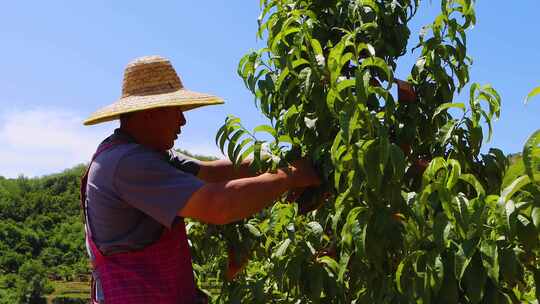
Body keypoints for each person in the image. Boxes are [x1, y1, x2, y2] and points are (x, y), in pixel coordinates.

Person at [81, 55, 321, 304]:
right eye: (177, 111)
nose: (183, 121)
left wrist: (278, 161)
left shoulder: (145, 155)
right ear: (150, 113)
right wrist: (291, 176)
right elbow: (218, 205)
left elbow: (214, 172)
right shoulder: (129, 163)